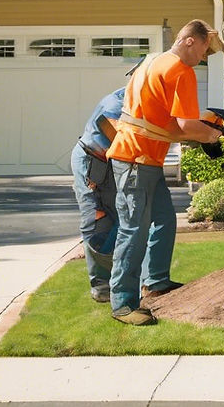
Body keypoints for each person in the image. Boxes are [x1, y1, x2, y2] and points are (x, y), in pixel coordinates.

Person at [107, 19, 224, 325]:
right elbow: (185, 125)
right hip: (136, 159)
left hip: (143, 157)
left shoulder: (153, 61)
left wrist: (201, 128)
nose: (204, 58)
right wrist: (211, 136)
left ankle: (157, 283)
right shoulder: (181, 71)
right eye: (206, 50)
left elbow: (159, 121)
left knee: (164, 220)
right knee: (134, 229)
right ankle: (123, 304)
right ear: (191, 40)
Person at [70, 86, 125, 303]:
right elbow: (119, 138)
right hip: (90, 160)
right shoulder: (115, 105)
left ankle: (118, 277)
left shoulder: (141, 103)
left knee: (120, 218)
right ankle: (101, 285)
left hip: (108, 163)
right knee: (96, 221)